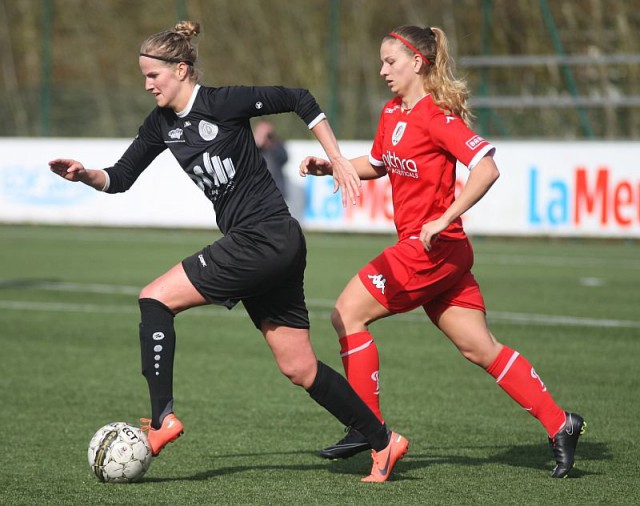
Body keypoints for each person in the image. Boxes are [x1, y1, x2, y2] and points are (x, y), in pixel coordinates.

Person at [48, 20, 407, 483]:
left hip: (264, 238)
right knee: (298, 366)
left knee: (155, 298)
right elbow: (119, 178)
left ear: (181, 69)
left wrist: (337, 156)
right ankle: (383, 442)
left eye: (153, 75)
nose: (147, 84)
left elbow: (300, 97)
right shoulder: (160, 125)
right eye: (143, 76)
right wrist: (85, 174)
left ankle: (162, 420)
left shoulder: (223, 102)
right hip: (271, 245)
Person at [300, 25, 585, 479]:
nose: (382, 70)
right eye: (381, 62)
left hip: (430, 248)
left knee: (346, 314)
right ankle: (561, 423)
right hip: (434, 252)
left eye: (390, 62)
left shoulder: (437, 116)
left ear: (417, 62)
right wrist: (330, 166)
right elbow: (377, 163)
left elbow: (487, 169)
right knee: (480, 348)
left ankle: (368, 431)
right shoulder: (392, 112)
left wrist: (446, 216)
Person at [253, 120, 289, 201]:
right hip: (257, 194)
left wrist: (271, 145)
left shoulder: (277, 145)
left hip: (276, 192)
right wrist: (257, 145)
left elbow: (284, 158)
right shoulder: (251, 146)